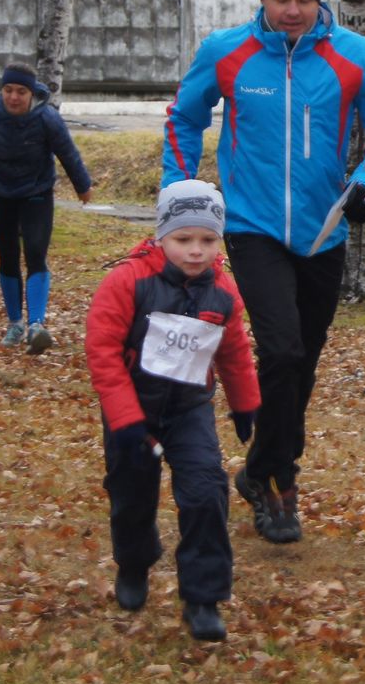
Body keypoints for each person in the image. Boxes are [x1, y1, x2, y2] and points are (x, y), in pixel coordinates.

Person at [162, 0, 365, 544]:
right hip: (251, 227)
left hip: (323, 230)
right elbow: (183, 118)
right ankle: (280, 483)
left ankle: (255, 468)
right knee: (278, 352)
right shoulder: (226, 52)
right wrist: (180, 192)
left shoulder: (352, 55)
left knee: (302, 360)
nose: (293, 10)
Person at [84, 179, 260, 642]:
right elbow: (102, 349)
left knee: (206, 491)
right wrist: (124, 419)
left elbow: (234, 350)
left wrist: (245, 404)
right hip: (132, 411)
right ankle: (134, 562)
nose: (196, 251)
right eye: (184, 239)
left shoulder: (223, 292)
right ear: (161, 236)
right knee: (132, 493)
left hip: (189, 409)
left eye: (207, 240)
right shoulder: (126, 281)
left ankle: (202, 597)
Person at [0, 61, 94, 354]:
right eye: (8, 90)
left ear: (31, 93)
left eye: (21, 91)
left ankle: (36, 325)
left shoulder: (47, 117)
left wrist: (83, 187)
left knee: (35, 253)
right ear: (2, 91)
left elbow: (67, 153)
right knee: (7, 259)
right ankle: (15, 324)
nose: (14, 97)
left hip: (36, 192)